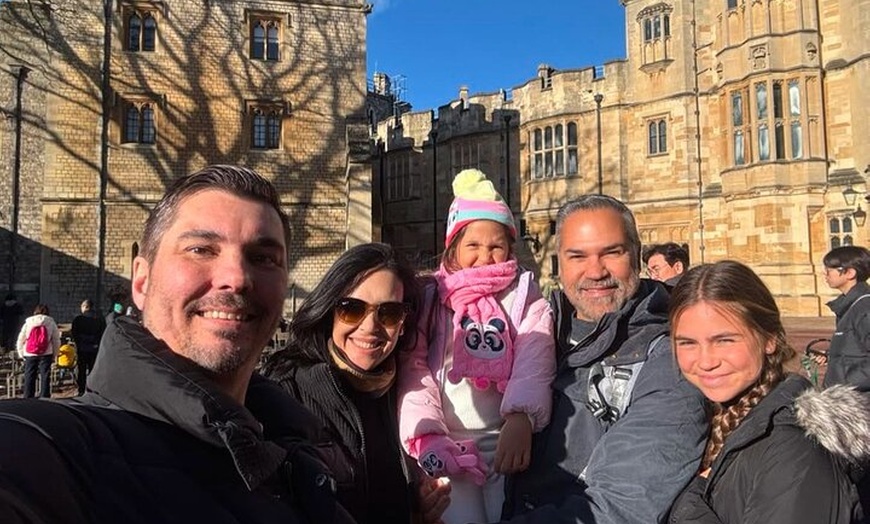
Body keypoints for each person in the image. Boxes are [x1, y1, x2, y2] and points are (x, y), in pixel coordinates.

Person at [0, 165, 351, 523]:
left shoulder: (298, 453)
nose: (237, 278)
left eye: (263, 258)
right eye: (201, 249)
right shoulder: (54, 449)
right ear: (141, 280)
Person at [502, 194, 707, 524]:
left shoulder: (669, 359)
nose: (595, 271)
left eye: (612, 253)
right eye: (577, 256)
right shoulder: (531, 333)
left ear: (636, 256)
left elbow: (617, 506)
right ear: (560, 262)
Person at [396, 169, 555, 524]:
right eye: (473, 245)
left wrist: (522, 416)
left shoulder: (522, 295)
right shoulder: (432, 295)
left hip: (504, 438)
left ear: (511, 248)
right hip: (448, 442)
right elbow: (414, 369)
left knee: (506, 515)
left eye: (497, 246)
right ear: (452, 247)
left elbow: (535, 354)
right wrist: (427, 436)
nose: (485, 256)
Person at [666, 260, 867, 523]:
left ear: (769, 338)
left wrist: (687, 501)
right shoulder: (705, 417)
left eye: (725, 340)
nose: (706, 361)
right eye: (688, 343)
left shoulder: (793, 446)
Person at [263, 242, 442, 524]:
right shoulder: (286, 392)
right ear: (329, 311)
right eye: (352, 309)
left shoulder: (411, 394)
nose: (370, 327)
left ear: (404, 323)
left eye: (389, 313)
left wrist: (418, 508)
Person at [820, 245, 870, 391]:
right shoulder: (849, 305)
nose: (825, 274)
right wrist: (833, 355)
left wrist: (843, 383)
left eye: (830, 270)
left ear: (849, 273)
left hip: (860, 403)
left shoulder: (865, 307)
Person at [15, 303, 61, 398]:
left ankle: (28, 396)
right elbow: (56, 339)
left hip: (30, 353)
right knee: (45, 375)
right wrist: (55, 354)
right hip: (46, 352)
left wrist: (21, 353)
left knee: (29, 375)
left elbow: (21, 338)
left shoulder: (28, 322)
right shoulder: (51, 323)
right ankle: (44, 396)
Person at [71, 298, 106, 395]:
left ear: (85, 307)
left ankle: (81, 389)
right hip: (94, 348)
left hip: (82, 348)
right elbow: (102, 333)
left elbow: (74, 333)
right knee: (92, 369)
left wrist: (78, 343)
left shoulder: (78, 320)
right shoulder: (98, 320)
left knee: (81, 370)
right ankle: (91, 390)